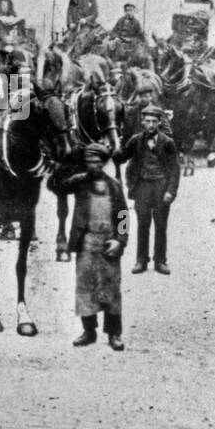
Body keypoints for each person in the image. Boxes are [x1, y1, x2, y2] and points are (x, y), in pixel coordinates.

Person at [50, 143, 127, 351]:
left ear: (103, 163)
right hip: (86, 242)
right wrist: (60, 165)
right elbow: (55, 187)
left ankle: (114, 334)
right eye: (89, 162)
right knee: (85, 289)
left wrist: (119, 240)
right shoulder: (79, 182)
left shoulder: (114, 185)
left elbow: (122, 215)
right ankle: (89, 331)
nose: (93, 165)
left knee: (111, 290)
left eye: (97, 162)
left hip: (108, 242)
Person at [114, 104, 179, 276]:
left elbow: (174, 169)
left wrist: (170, 192)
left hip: (160, 187)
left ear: (159, 123)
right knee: (142, 224)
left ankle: (160, 261)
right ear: (142, 122)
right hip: (142, 187)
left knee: (161, 225)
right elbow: (122, 156)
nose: (150, 124)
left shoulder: (167, 142)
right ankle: (141, 260)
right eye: (147, 121)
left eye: (154, 121)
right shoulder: (136, 140)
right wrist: (111, 149)